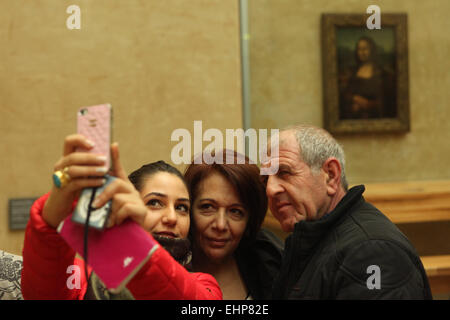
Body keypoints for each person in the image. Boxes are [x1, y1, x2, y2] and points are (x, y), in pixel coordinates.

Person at [21, 134, 221, 300]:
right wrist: (56, 209)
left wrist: (131, 243)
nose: (171, 217)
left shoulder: (204, 285)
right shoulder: (82, 275)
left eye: (182, 207)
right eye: (154, 203)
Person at [262, 125, 432, 299]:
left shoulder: (371, 250)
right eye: (266, 179)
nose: (270, 189)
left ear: (330, 175)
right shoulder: (311, 240)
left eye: (284, 172)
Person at [184, 149, 284, 300]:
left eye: (235, 212)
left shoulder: (271, 265)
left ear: (249, 221)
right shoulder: (167, 268)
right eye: (207, 207)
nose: (221, 225)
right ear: (188, 209)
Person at [339, 36, 396, 119]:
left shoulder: (382, 73)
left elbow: (387, 101)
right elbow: (345, 94)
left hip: (375, 118)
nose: (362, 52)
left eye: (365, 49)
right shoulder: (351, 72)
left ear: (372, 51)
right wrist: (353, 99)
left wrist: (368, 104)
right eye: (359, 49)